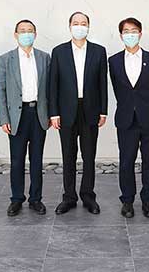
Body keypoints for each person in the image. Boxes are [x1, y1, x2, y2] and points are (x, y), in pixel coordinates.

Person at [49, 11, 108, 215]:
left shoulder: (99, 51)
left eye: (84, 23)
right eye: (76, 23)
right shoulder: (59, 51)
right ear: (70, 26)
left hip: (90, 109)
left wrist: (103, 110)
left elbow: (102, 82)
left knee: (89, 155)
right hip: (66, 111)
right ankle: (69, 197)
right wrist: (54, 113)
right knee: (68, 155)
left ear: (88, 27)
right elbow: (53, 84)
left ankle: (88, 196)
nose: (80, 27)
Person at [108, 17, 149, 219]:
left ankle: (148, 201)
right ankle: (127, 201)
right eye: (126, 31)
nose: (130, 34)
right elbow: (117, 88)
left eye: (133, 31)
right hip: (126, 118)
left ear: (140, 33)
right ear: (121, 35)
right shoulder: (113, 61)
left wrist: (143, 104)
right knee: (126, 161)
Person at [0, 19, 51, 216]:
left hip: (38, 114)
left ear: (35, 35)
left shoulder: (44, 57)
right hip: (16, 116)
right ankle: (16, 199)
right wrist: (4, 118)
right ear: (16, 35)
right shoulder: (6, 59)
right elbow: (1, 90)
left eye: (30, 31)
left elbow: (50, 88)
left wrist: (51, 114)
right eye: (22, 31)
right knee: (17, 160)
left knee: (37, 160)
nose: (26, 34)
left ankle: (36, 199)